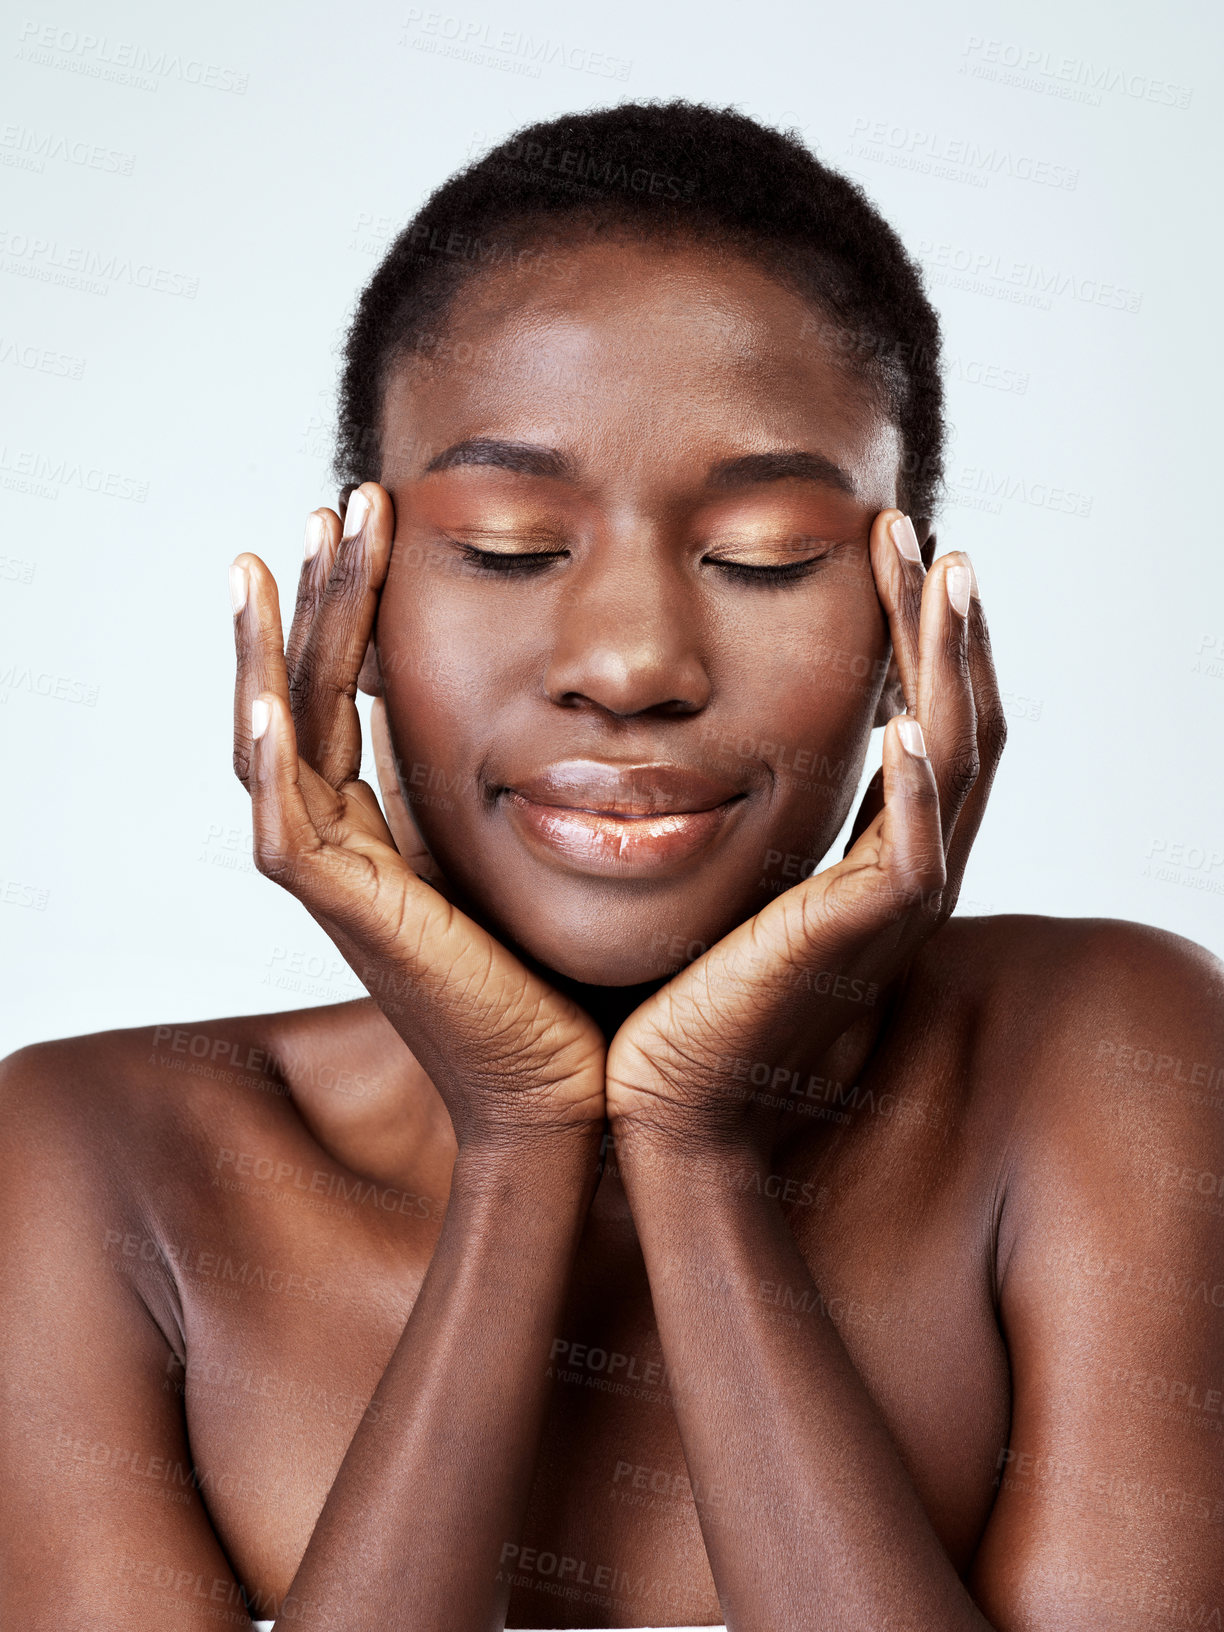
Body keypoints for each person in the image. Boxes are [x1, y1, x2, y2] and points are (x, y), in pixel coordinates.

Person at [2, 100, 1221, 1632]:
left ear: (917, 637)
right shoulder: (105, 1166)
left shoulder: (1103, 1055)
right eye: (511, 545)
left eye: (766, 553)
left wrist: (697, 1156)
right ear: (351, 616)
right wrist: (518, 1139)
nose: (633, 660)